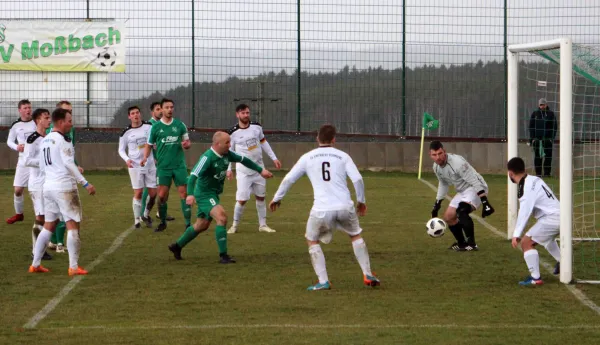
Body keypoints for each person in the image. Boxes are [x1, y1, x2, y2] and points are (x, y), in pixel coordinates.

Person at [269, 124, 380, 291]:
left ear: (317, 138)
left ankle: (323, 281)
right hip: (345, 206)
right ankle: (367, 273)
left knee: (312, 240)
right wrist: (361, 201)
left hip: (322, 209)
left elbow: (289, 179)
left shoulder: (308, 157)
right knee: (356, 235)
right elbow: (357, 180)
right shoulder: (343, 156)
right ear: (334, 139)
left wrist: (277, 198)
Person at [167, 131, 273, 263]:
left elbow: (243, 159)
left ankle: (177, 246)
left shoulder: (227, 154)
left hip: (213, 194)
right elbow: (193, 176)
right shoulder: (207, 157)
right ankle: (223, 256)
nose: (230, 145)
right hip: (204, 194)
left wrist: (260, 170)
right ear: (217, 144)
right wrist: (190, 194)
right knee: (222, 217)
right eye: (227, 142)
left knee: (202, 225)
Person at [29, 108, 96, 275]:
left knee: (48, 225)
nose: (71, 123)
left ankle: (35, 264)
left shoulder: (45, 139)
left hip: (48, 187)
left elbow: (43, 165)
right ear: (60, 122)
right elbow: (68, 163)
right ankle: (73, 267)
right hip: (64, 187)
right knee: (73, 226)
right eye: (69, 120)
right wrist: (85, 183)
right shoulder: (63, 140)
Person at [429, 140, 495, 251]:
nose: (438, 157)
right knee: (448, 217)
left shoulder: (457, 163)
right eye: (434, 155)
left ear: (444, 151)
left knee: (462, 211)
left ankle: (472, 244)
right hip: (462, 190)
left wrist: (485, 202)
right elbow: (443, 183)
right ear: (430, 155)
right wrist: (437, 204)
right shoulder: (436, 167)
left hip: (476, 187)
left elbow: (474, 181)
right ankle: (462, 243)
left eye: (440, 153)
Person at [226, 104, 281, 234]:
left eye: (247, 113)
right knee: (242, 199)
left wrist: (274, 158)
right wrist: (229, 169)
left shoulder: (257, 127)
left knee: (261, 197)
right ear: (237, 115)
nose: (246, 115)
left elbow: (263, 142)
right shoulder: (232, 133)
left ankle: (262, 225)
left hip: (260, 169)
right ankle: (234, 225)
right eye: (243, 113)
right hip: (243, 171)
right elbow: (229, 151)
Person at [508, 157, 561, 286]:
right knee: (548, 241)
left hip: (552, 218)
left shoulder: (524, 188)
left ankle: (535, 278)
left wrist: (516, 234)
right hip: (559, 215)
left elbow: (525, 212)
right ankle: (563, 262)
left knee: (526, 243)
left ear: (510, 173)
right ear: (524, 169)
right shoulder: (534, 179)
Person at [141, 98, 191, 232]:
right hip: (163, 167)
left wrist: (187, 145)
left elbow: (187, 143)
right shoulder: (155, 127)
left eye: (171, 107)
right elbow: (149, 145)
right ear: (161, 109)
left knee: (183, 194)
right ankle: (163, 222)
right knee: (162, 195)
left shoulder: (180, 125)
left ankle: (188, 224)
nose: (170, 110)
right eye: (167, 107)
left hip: (179, 166)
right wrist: (145, 157)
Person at [47, 101, 84, 253]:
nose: (70, 115)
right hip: (58, 179)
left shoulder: (70, 130)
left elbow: (70, 152)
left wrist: (76, 164)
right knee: (66, 215)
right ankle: (59, 243)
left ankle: (53, 242)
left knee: (55, 216)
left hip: (52, 181)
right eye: (66, 111)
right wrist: (85, 183)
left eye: (71, 111)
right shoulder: (52, 132)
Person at [118, 106, 157, 228]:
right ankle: (136, 220)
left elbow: (153, 142)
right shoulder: (126, 133)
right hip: (135, 165)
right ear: (129, 116)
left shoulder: (149, 126)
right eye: (133, 113)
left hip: (150, 164)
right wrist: (127, 159)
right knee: (139, 192)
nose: (136, 115)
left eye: (137, 113)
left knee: (153, 193)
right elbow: (121, 150)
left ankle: (145, 213)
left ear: (140, 114)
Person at [23, 108, 53, 261]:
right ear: (38, 120)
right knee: (40, 217)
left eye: (49, 117)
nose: (49, 120)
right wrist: (44, 163)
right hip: (36, 184)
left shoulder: (48, 138)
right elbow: (26, 160)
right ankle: (36, 251)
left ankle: (40, 248)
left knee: (48, 216)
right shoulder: (32, 139)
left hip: (47, 182)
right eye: (46, 117)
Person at [140, 101, 175, 224]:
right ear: (152, 112)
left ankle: (160, 212)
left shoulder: (163, 124)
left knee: (164, 187)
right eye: (158, 109)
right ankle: (142, 213)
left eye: (162, 109)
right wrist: (151, 157)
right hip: (153, 161)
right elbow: (149, 144)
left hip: (164, 161)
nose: (161, 111)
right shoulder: (150, 125)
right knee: (150, 187)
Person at [6, 99, 36, 224]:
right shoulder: (16, 125)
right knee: (18, 190)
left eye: (29, 107)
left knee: (37, 190)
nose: (28, 110)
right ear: (20, 110)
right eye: (25, 108)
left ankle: (43, 215)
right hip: (23, 162)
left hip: (36, 162)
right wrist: (17, 147)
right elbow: (9, 141)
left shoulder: (37, 122)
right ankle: (19, 214)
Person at [528, 98, 557, 177]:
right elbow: (531, 127)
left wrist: (551, 139)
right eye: (540, 105)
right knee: (537, 157)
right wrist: (532, 139)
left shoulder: (551, 114)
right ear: (539, 105)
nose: (542, 106)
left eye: (543, 104)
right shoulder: (535, 114)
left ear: (546, 105)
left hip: (547, 140)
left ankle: (547, 174)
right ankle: (538, 174)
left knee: (548, 157)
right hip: (537, 140)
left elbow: (554, 127)